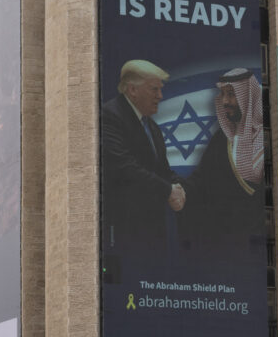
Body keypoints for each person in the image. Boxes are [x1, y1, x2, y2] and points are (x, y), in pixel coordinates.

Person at [101, 59, 185, 258]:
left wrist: (181, 188)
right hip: (124, 233)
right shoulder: (109, 116)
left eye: (160, 89)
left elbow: (162, 170)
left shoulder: (151, 126)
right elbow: (125, 167)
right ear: (132, 90)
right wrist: (168, 190)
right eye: (154, 90)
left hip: (152, 233)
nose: (160, 96)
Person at [177, 68, 265, 250]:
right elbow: (200, 179)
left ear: (246, 96)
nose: (225, 101)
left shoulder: (265, 137)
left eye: (232, 94)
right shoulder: (221, 139)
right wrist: (180, 191)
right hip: (222, 242)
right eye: (223, 94)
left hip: (253, 241)